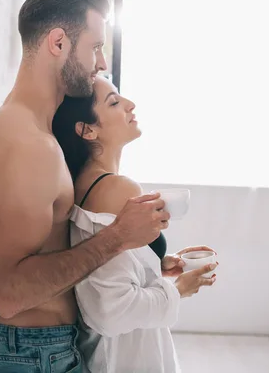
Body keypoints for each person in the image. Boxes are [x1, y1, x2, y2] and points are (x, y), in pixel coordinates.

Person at [0, 0, 171, 373]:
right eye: (95, 47)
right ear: (58, 43)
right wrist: (116, 238)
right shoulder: (28, 145)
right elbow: (8, 294)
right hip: (28, 354)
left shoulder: (34, 132)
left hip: (33, 351)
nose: (102, 63)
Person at [52, 75, 219, 372]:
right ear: (87, 130)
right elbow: (110, 311)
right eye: (114, 103)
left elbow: (104, 272)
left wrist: (157, 265)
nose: (130, 105)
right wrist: (178, 290)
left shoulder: (86, 183)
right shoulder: (116, 189)